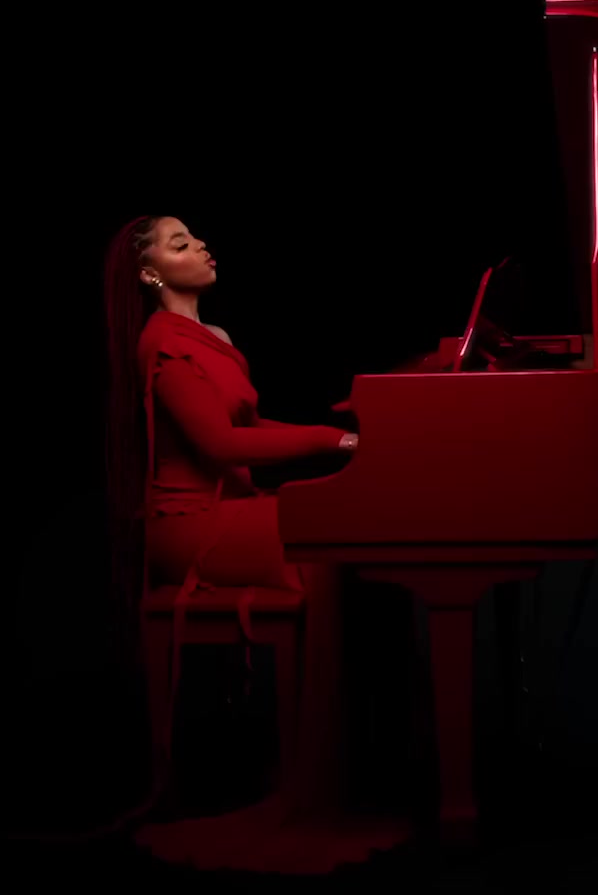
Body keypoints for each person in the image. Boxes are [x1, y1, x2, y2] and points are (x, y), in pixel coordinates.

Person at [102, 214, 407, 874]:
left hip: (233, 511)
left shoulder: (214, 337)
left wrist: (339, 434)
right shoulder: (162, 345)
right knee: (322, 542)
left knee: (339, 536)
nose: (200, 245)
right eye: (180, 243)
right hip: (188, 526)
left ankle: (347, 760)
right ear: (150, 274)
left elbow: (253, 423)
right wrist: (331, 441)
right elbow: (220, 446)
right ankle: (313, 778)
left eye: (195, 236)